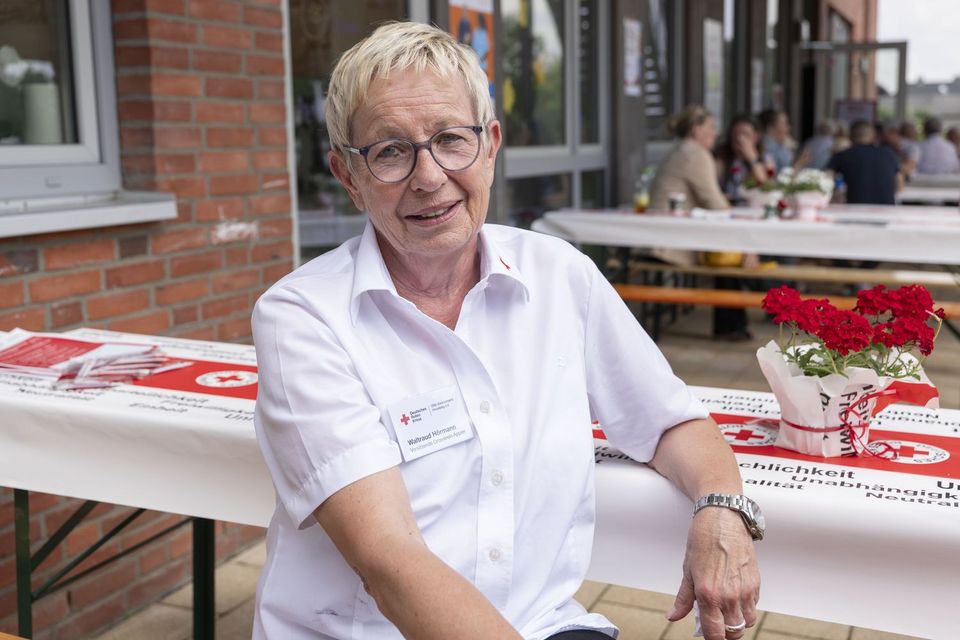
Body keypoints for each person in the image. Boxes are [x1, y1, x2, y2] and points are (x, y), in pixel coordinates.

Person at [252, 22, 761, 640]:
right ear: (347, 177)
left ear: (490, 146)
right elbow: (388, 559)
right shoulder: (302, 316)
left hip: (539, 624)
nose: (428, 176)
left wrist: (720, 508)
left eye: (450, 139)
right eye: (390, 152)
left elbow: (671, 422)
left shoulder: (560, 275)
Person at [827, 120, 901, 205]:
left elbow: (826, 180)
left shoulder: (842, 155)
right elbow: (899, 186)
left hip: (855, 208)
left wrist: (837, 193)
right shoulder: (889, 154)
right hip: (887, 209)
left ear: (850, 136)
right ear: (873, 136)